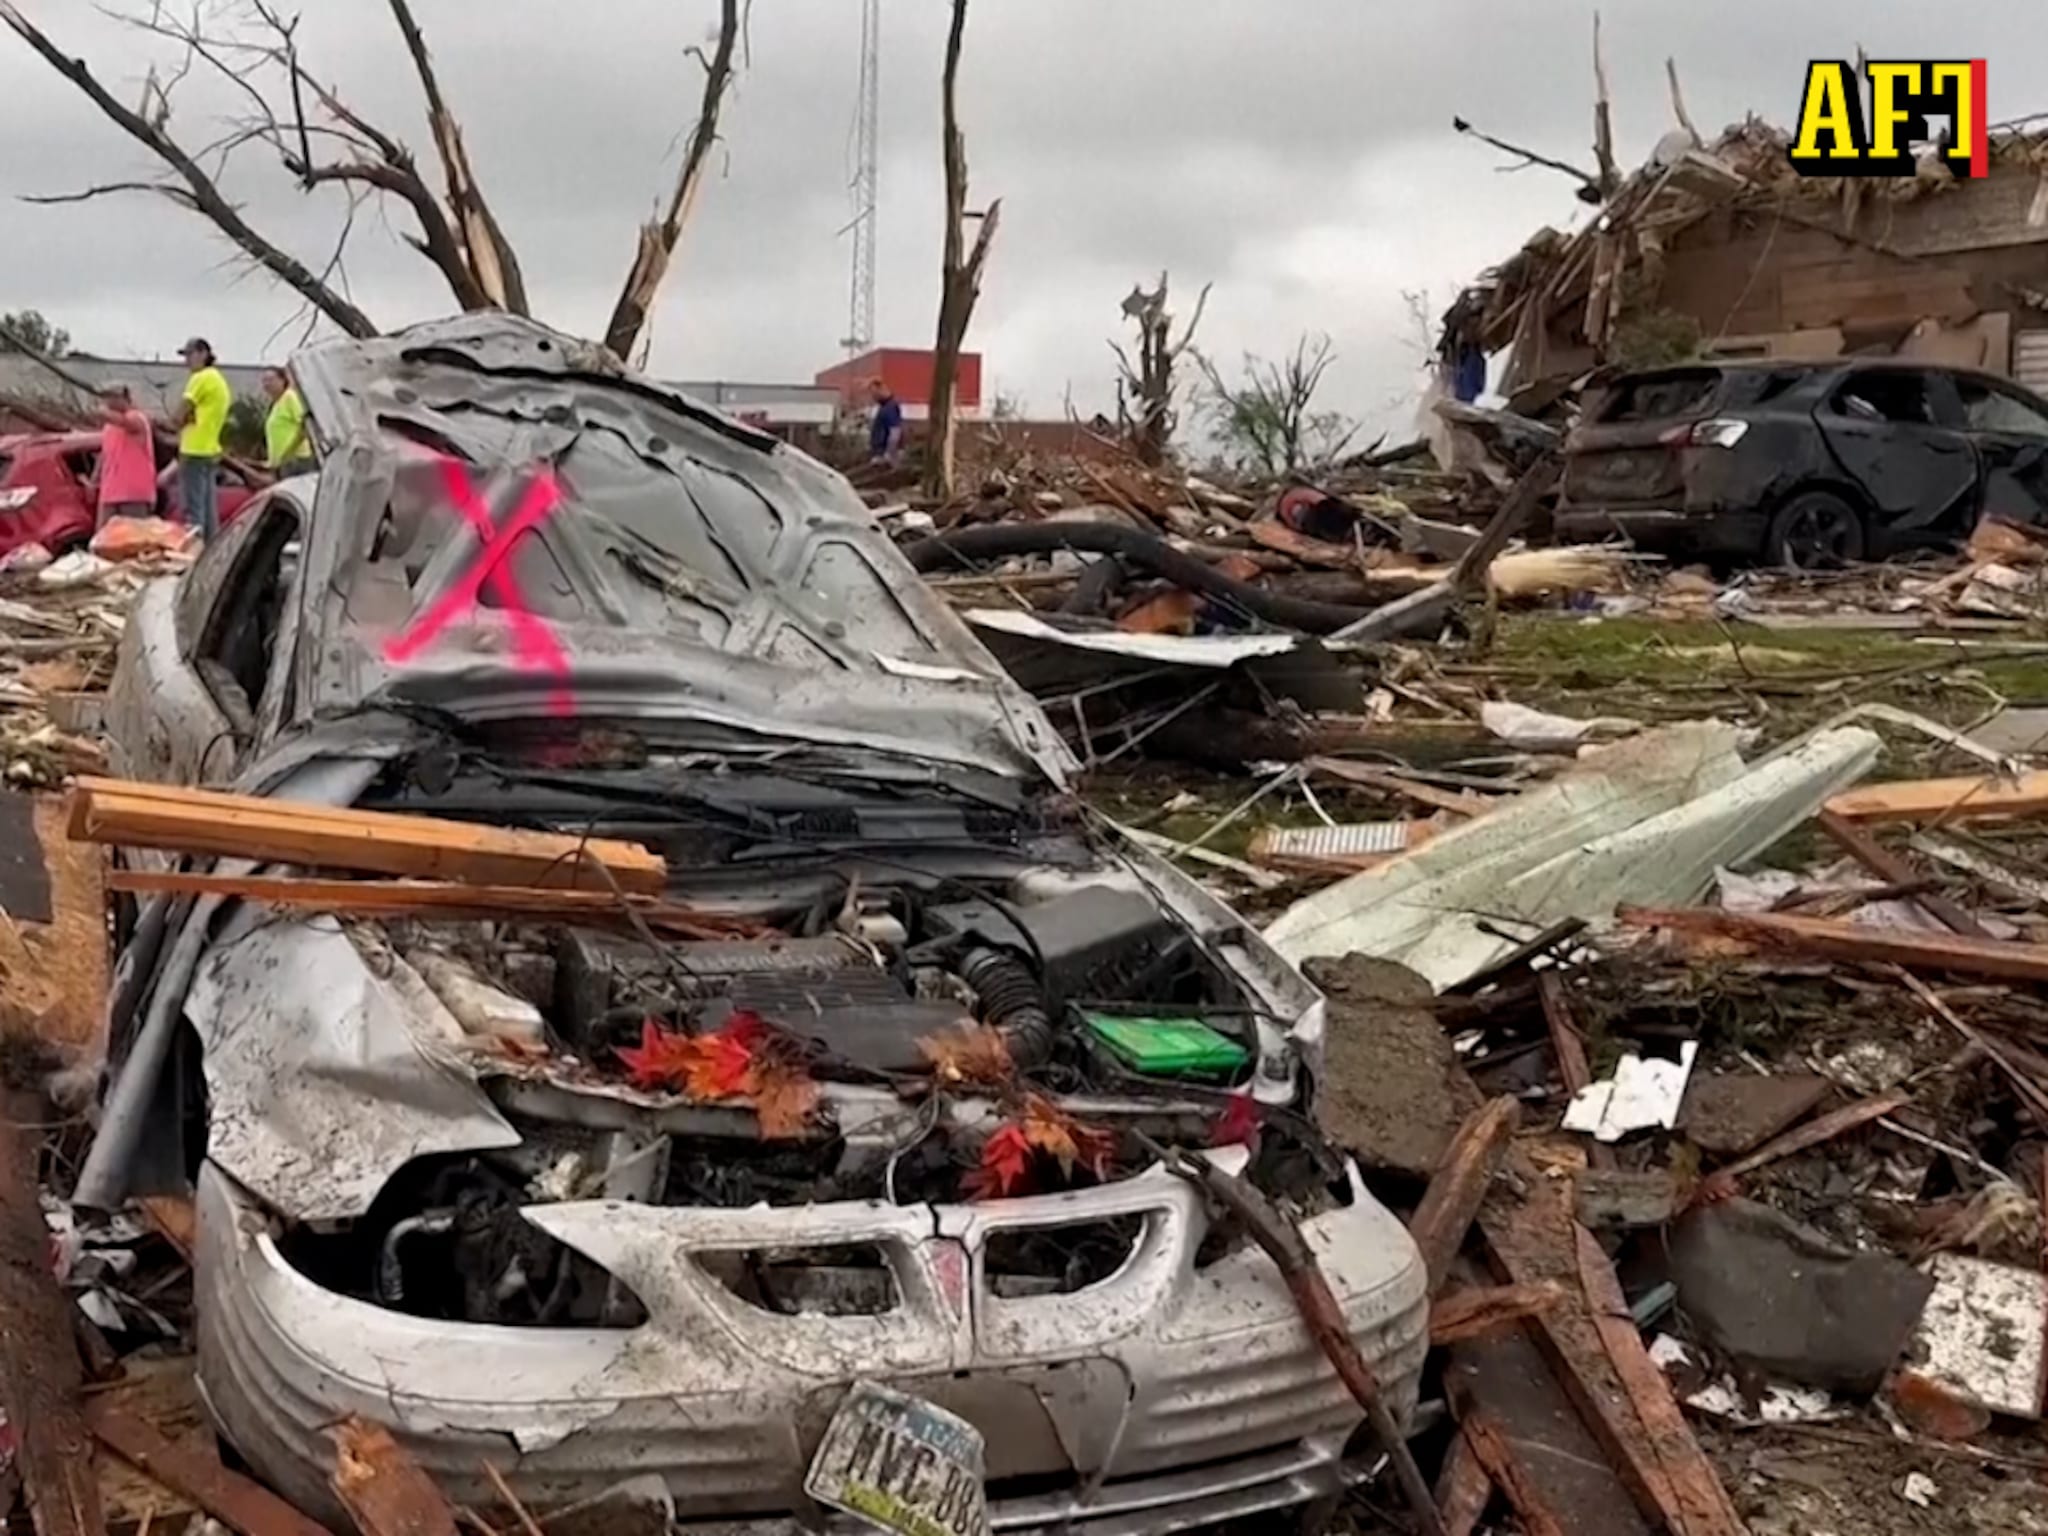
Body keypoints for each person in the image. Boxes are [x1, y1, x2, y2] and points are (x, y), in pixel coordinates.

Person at [170, 337, 230, 537]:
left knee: (193, 510)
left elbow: (178, 415)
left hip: (194, 449)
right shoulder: (218, 379)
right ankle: (211, 550)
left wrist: (180, 420)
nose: (186, 361)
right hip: (210, 449)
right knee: (208, 508)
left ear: (203, 354)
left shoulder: (200, 378)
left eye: (190, 355)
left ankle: (196, 553)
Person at [90, 384, 158, 526]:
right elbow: (105, 454)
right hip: (110, 492)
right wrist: (95, 478)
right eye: (106, 397)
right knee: (104, 539)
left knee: (133, 538)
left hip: (134, 493)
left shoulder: (137, 418)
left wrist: (103, 412)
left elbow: (125, 422)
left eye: (113, 397)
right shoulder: (109, 427)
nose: (109, 401)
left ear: (125, 398)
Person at [261, 366, 314, 475]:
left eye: (271, 380)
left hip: (295, 459)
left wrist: (288, 452)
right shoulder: (275, 404)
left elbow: (305, 426)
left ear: (282, 380)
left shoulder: (290, 398)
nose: (267, 384)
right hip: (281, 462)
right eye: (264, 381)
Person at [867, 377, 905, 466]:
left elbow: (895, 432)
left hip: (884, 455)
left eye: (874, 393)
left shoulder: (890, 407)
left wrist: (889, 453)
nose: (873, 397)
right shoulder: (884, 407)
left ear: (881, 389)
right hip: (880, 453)